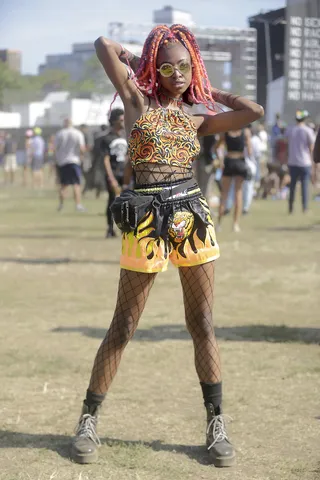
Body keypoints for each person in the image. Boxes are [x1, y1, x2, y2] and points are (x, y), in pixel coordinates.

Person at [70, 24, 263, 467]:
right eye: (168, 66)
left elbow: (252, 111)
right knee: (123, 326)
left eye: (185, 66)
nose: (176, 73)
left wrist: (209, 90)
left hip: (191, 217)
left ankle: (216, 426)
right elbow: (103, 45)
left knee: (204, 324)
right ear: (155, 68)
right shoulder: (138, 102)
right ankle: (87, 420)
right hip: (144, 218)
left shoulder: (196, 115)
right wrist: (143, 61)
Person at [216, 128, 253, 232]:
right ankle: (235, 224)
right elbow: (250, 151)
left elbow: (216, 147)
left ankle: (219, 224)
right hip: (240, 162)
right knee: (238, 193)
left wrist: (220, 159)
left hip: (228, 162)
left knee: (224, 194)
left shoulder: (225, 132)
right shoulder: (245, 132)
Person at [100, 108, 128, 237]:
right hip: (113, 172)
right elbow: (105, 160)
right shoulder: (106, 138)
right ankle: (110, 228)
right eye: (121, 119)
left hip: (125, 173)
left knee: (127, 201)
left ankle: (125, 227)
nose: (123, 121)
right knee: (112, 201)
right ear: (114, 121)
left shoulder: (125, 136)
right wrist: (111, 177)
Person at [286, 110, 315, 213]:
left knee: (292, 186)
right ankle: (305, 208)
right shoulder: (308, 130)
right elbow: (311, 147)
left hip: (292, 161)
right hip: (305, 162)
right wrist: (313, 162)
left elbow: (287, 145)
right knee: (304, 186)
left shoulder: (290, 130)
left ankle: (290, 207)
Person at [54, 119, 86, 212]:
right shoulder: (78, 133)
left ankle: (61, 204)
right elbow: (82, 148)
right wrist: (82, 157)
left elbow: (56, 148)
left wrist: (57, 159)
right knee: (76, 184)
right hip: (74, 161)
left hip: (63, 162)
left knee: (64, 184)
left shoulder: (60, 134)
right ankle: (78, 205)